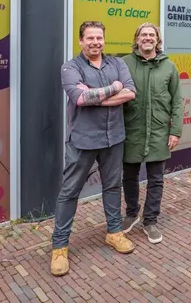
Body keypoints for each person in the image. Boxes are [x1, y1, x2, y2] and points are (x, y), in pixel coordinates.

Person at [52, 21, 137, 277]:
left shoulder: (117, 64)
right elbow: (79, 98)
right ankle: (59, 247)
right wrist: (114, 88)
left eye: (99, 38)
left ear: (104, 40)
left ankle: (113, 232)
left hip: (114, 139)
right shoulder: (70, 67)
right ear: (81, 41)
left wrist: (95, 97)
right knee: (69, 192)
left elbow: (131, 92)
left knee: (112, 186)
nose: (95, 42)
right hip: (83, 140)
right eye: (90, 38)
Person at [121, 23, 182, 244]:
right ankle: (131, 213)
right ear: (136, 39)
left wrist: (175, 131)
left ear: (158, 40)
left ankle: (150, 220)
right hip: (132, 130)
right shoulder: (124, 64)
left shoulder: (169, 67)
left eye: (151, 35)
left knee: (156, 180)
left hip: (159, 131)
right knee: (129, 177)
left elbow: (177, 101)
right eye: (143, 35)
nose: (147, 38)